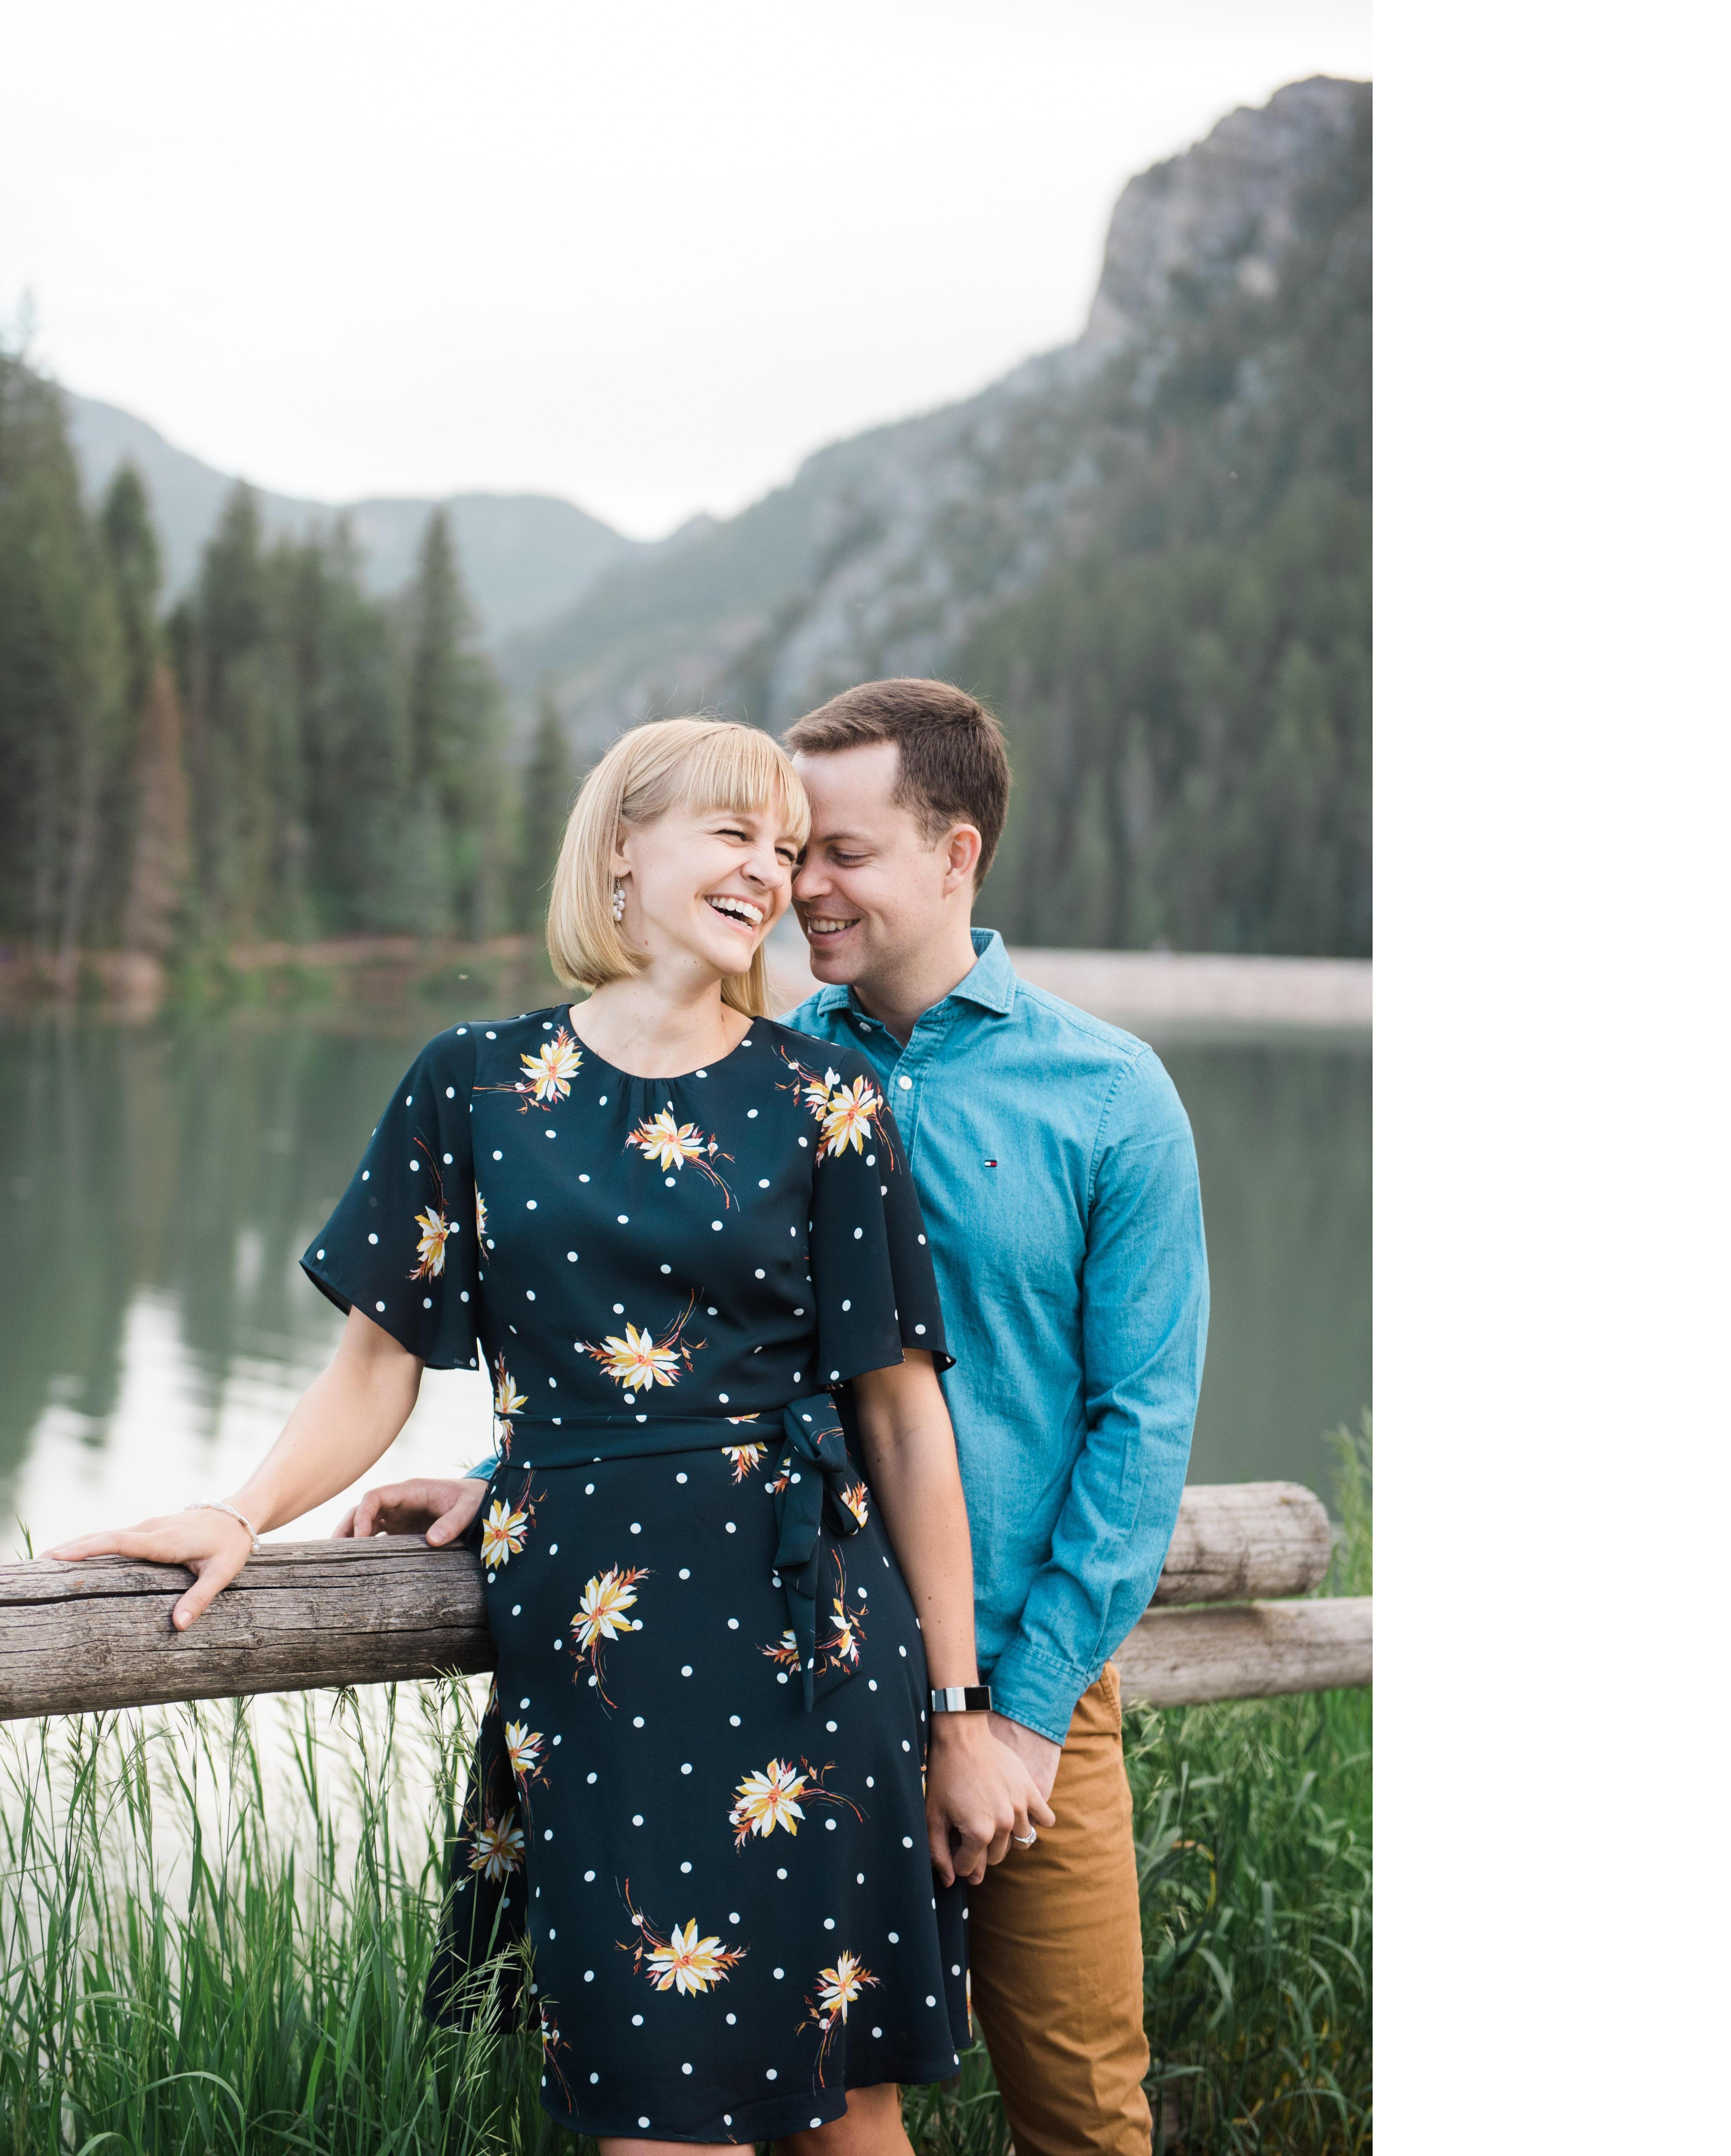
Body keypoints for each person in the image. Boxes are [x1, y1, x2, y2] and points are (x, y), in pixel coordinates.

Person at [48, 715, 1045, 2156]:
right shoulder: (473, 1083)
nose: (768, 871)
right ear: (620, 848)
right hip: (596, 1662)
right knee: (653, 2116)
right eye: (732, 833)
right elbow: (374, 1366)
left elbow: (900, 1421)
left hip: (809, 1640)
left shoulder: (827, 1101)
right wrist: (244, 1509)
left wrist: (955, 1717)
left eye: (784, 848)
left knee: (847, 2114)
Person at [366, 681, 1208, 2156]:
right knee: (796, 2099)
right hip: (801, 1651)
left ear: (956, 857)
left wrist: (1005, 1715)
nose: (800, 883)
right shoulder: (767, 1064)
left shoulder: (1106, 1095)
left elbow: (1139, 1431)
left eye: (841, 852)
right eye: (781, 847)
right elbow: (707, 1342)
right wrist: (514, 1468)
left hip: (1022, 1675)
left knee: (1079, 2102)